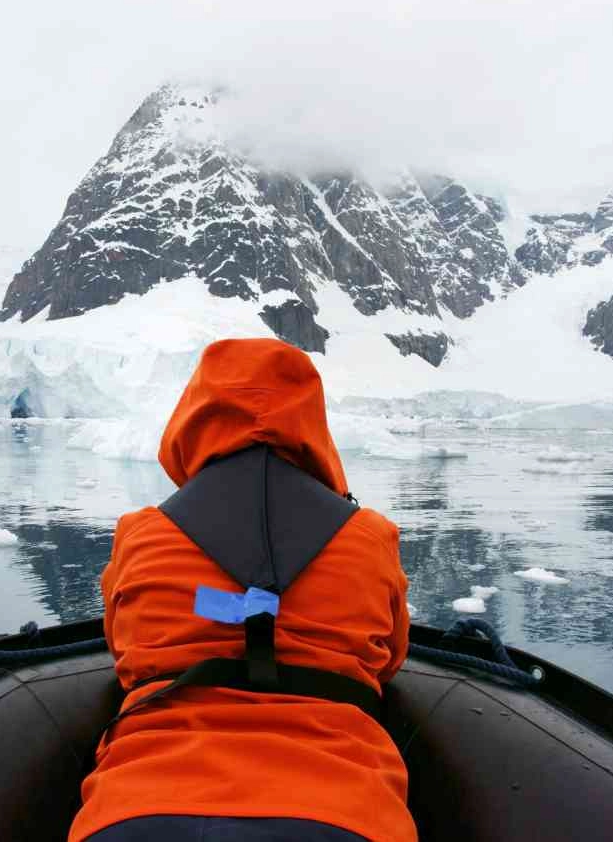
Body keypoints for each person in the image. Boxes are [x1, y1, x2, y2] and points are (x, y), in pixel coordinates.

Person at [69, 338, 415, 842]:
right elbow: (390, 660)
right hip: (345, 810)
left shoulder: (141, 535)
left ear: (194, 418)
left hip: (137, 807)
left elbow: (126, 655)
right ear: (311, 425)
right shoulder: (370, 538)